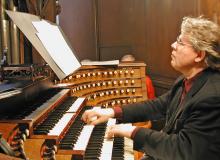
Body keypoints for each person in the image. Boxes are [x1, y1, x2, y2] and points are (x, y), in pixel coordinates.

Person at [82, 16, 220, 160]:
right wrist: (111, 112)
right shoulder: (186, 81)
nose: (173, 45)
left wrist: (132, 131)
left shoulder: (212, 97)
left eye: (180, 42)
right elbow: (157, 106)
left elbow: (183, 148)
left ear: (199, 55)